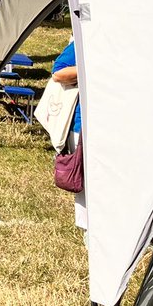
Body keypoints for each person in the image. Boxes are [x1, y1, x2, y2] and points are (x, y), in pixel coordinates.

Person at [52, 39, 87, 230]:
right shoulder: (86, 37)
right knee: (85, 182)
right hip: (84, 127)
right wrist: (91, 67)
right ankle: (89, 236)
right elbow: (58, 72)